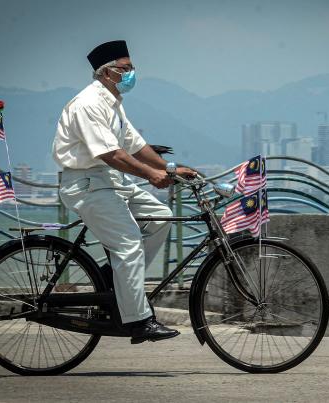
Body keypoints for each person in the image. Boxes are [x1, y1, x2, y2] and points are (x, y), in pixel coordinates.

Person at [52, 40, 196, 344]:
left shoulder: (113, 103)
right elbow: (111, 154)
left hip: (108, 181)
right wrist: (152, 175)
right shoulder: (88, 104)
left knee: (161, 216)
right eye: (125, 68)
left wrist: (170, 169)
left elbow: (135, 145)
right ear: (107, 72)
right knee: (128, 243)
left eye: (132, 68)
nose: (131, 74)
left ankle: (111, 279)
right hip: (86, 184)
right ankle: (139, 321)